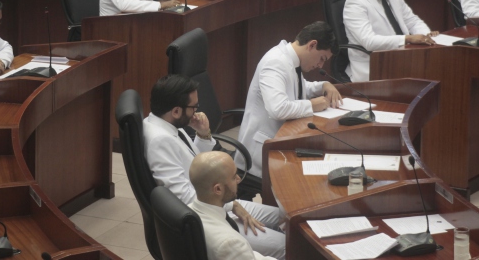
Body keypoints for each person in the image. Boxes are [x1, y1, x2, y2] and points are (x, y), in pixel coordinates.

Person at [143, 74, 286, 260]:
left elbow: (198, 165)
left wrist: (203, 135)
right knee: (286, 245)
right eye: (193, 107)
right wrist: (231, 205)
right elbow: (184, 198)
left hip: (216, 201)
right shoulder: (160, 141)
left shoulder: (164, 124)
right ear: (176, 111)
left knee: (286, 216)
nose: (196, 112)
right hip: (209, 217)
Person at [235, 21, 342, 178]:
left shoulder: (291, 59)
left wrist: (324, 85)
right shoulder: (275, 62)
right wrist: (312, 105)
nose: (320, 65)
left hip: (283, 140)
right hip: (262, 150)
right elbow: (278, 109)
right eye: (322, 58)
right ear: (312, 45)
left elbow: (298, 87)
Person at [344, 0, 437, 82]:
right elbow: (369, 42)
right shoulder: (355, 2)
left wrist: (426, 34)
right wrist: (407, 38)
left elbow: (411, 20)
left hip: (403, 56)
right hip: (376, 65)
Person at [189, 152, 275, 260]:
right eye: (234, 177)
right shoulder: (230, 243)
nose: (239, 179)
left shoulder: (190, 210)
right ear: (218, 189)